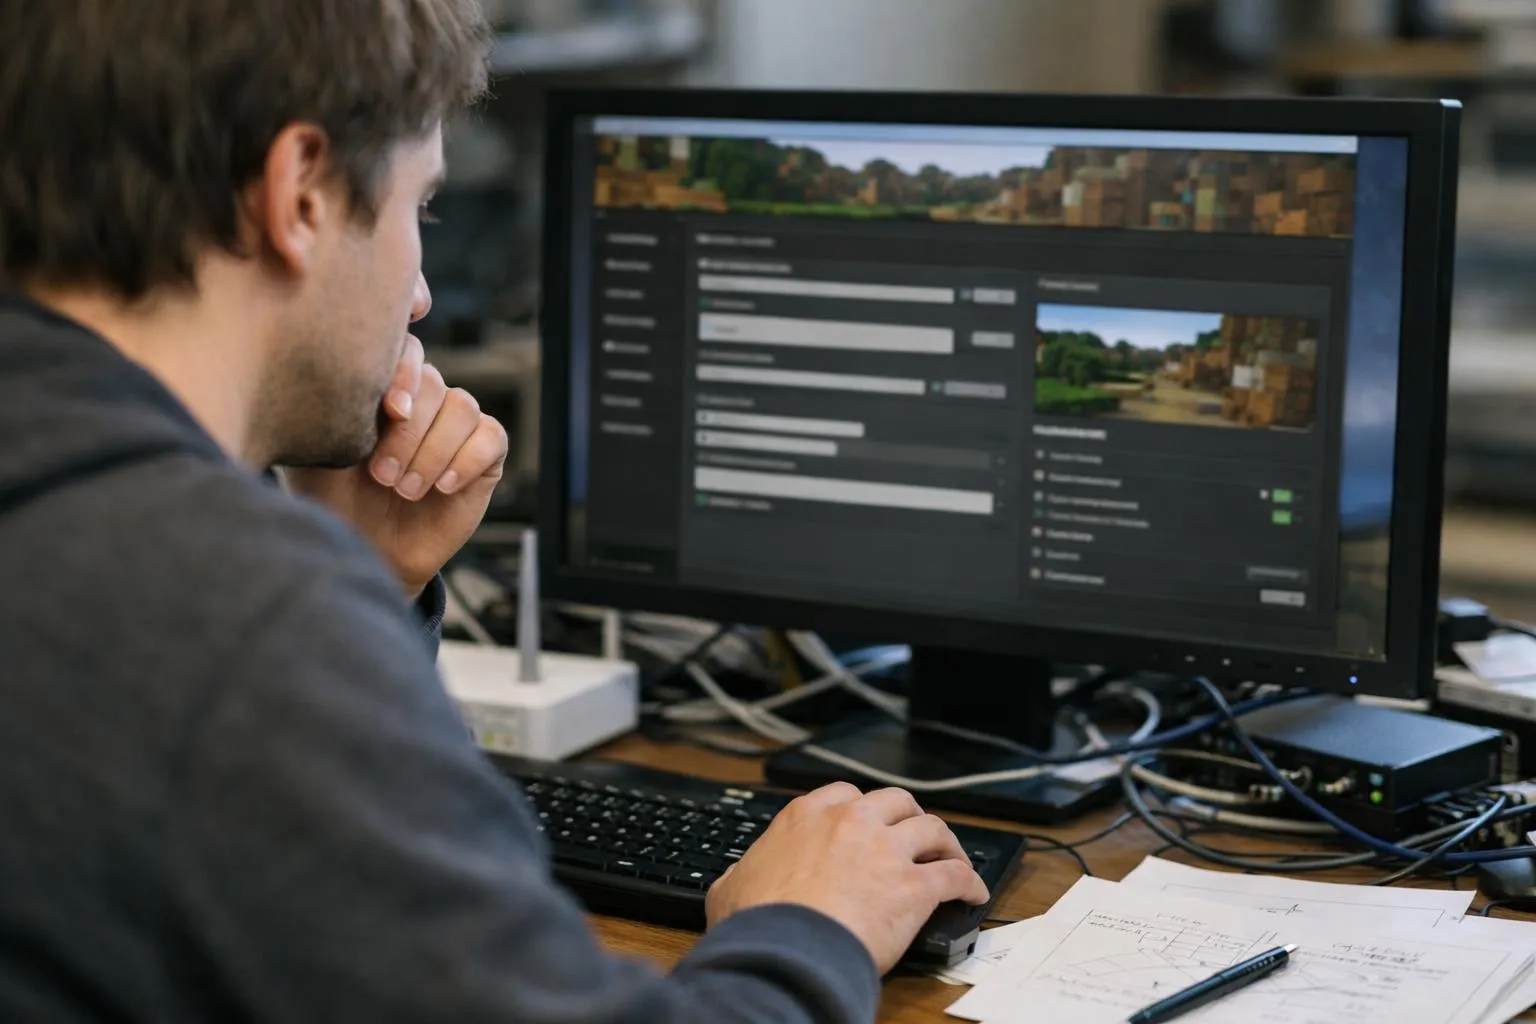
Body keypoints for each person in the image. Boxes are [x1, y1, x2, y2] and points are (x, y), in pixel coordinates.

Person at [0, 3, 990, 1021]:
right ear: (297, 193)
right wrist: (804, 921)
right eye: (418, 207)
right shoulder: (231, 617)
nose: (421, 293)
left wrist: (367, 590)